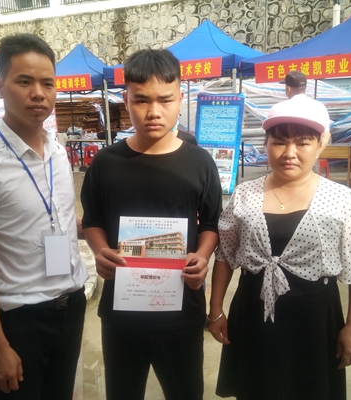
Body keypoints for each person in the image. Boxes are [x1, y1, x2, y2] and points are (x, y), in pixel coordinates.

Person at [207, 96, 351, 399]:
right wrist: (215, 311)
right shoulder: (245, 194)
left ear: (320, 144)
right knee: (256, 389)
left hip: (315, 319)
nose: (289, 153)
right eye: (279, 142)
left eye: (302, 143)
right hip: (252, 316)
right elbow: (225, 255)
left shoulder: (340, 199)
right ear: (266, 144)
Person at [0, 33, 88, 399]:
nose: (38, 94)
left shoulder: (58, 152)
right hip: (21, 322)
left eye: (47, 83)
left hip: (71, 307)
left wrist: (108, 234)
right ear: (0, 87)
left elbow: (60, 222)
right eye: (24, 82)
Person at [81, 49, 222, 400]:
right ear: (126, 99)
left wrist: (203, 256)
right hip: (123, 309)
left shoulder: (199, 163)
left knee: (186, 392)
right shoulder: (106, 163)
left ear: (181, 98)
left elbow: (211, 223)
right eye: (141, 100)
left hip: (182, 309)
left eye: (165, 99)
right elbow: (93, 220)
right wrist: (101, 250)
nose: (154, 111)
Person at [280, 70, 331, 156]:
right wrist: (315, 155)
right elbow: (326, 135)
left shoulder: (280, 108)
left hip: (287, 156)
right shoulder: (320, 107)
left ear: (288, 88)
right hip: (310, 156)